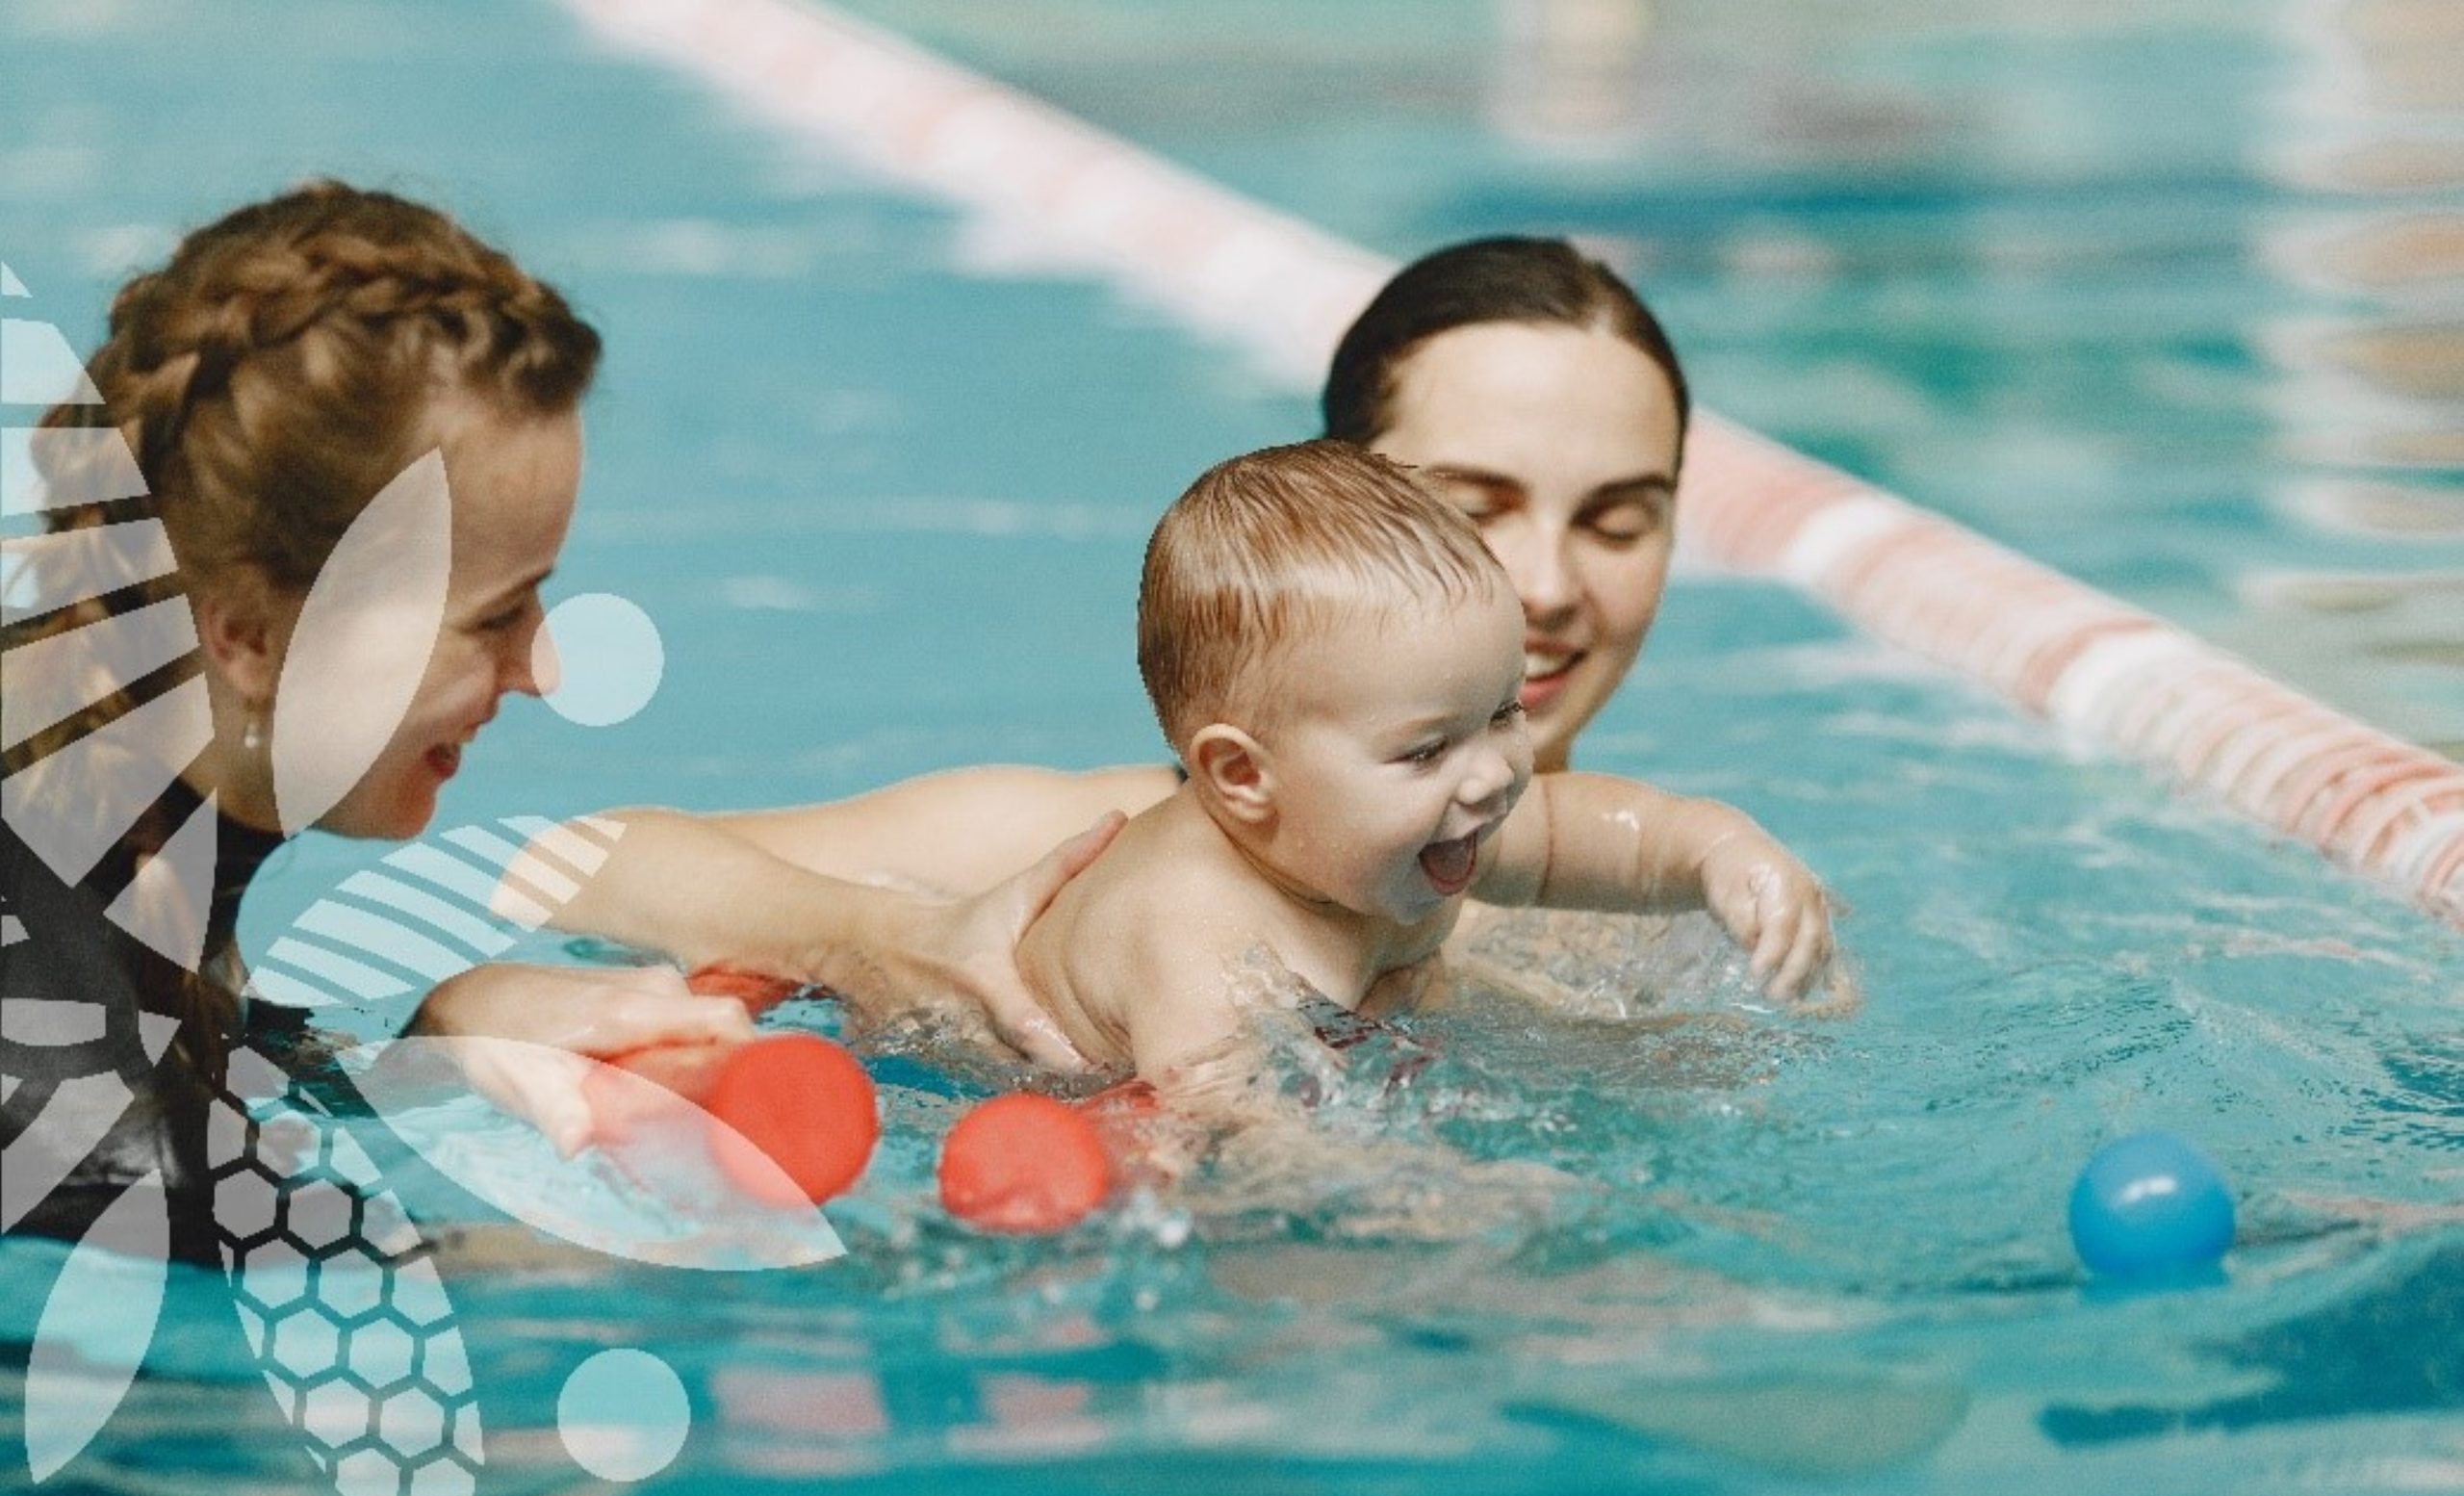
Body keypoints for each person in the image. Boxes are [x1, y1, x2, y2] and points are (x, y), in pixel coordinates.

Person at [0, 181, 1111, 1257]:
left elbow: (212, 1065)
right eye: (493, 618)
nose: (544, 667)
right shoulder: (92, 1102)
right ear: (244, 633)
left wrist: (448, 1035)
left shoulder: (92, 802)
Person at [528, 236, 1829, 1027]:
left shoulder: (1674, 914)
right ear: (1343, 508)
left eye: (1617, 519)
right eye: (1470, 508)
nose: (1546, 584)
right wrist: (894, 942)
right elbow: (575, 863)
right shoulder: (1121, 849)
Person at [1014, 441, 1829, 1077]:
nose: (1494, 774)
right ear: (1243, 775)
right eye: (1427, 748)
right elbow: (1243, 1147)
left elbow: (1606, 838)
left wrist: (1719, 853)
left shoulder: (1421, 827)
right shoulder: (1195, 936)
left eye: (1503, 711)